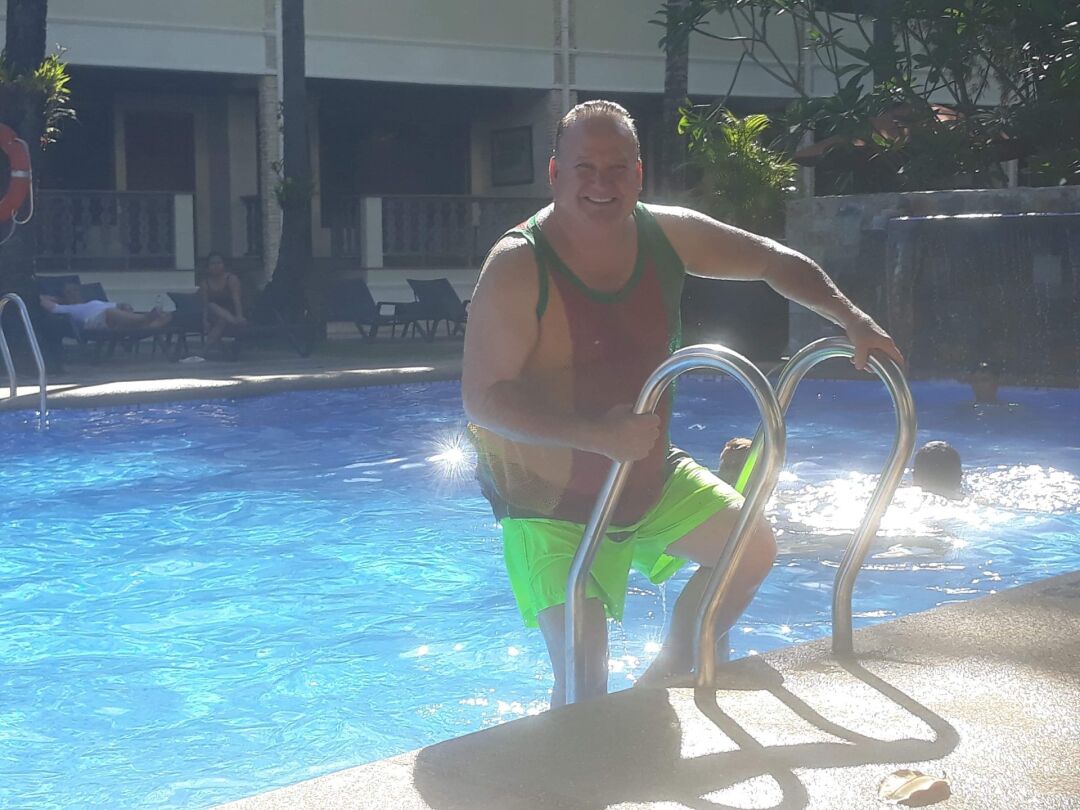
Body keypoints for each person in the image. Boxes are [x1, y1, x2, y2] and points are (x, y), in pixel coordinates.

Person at [461, 100, 904, 706]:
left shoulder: (665, 234)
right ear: (555, 173)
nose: (601, 183)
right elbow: (483, 399)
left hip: (643, 476)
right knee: (585, 680)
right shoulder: (518, 264)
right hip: (548, 503)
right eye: (584, 167)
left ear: (638, 174)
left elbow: (773, 261)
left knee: (750, 550)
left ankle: (669, 670)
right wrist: (596, 434)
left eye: (617, 168)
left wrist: (853, 320)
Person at [40, 284, 171, 331]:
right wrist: (53, 298)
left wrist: (125, 306)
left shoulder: (94, 302)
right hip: (95, 321)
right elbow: (40, 300)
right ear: (63, 296)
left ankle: (146, 323)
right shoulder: (64, 308)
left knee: (116, 311)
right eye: (69, 292)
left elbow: (120, 305)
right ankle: (146, 318)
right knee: (110, 312)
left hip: (115, 320)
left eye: (76, 290)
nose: (74, 293)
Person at [198, 253, 247, 350]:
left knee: (221, 321)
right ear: (208, 267)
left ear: (224, 264)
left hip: (230, 312)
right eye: (212, 263)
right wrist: (205, 321)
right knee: (212, 305)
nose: (216, 266)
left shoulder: (231, 279)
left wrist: (239, 315)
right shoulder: (205, 283)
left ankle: (204, 351)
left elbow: (236, 298)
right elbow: (205, 304)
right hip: (212, 314)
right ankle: (235, 322)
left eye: (219, 263)